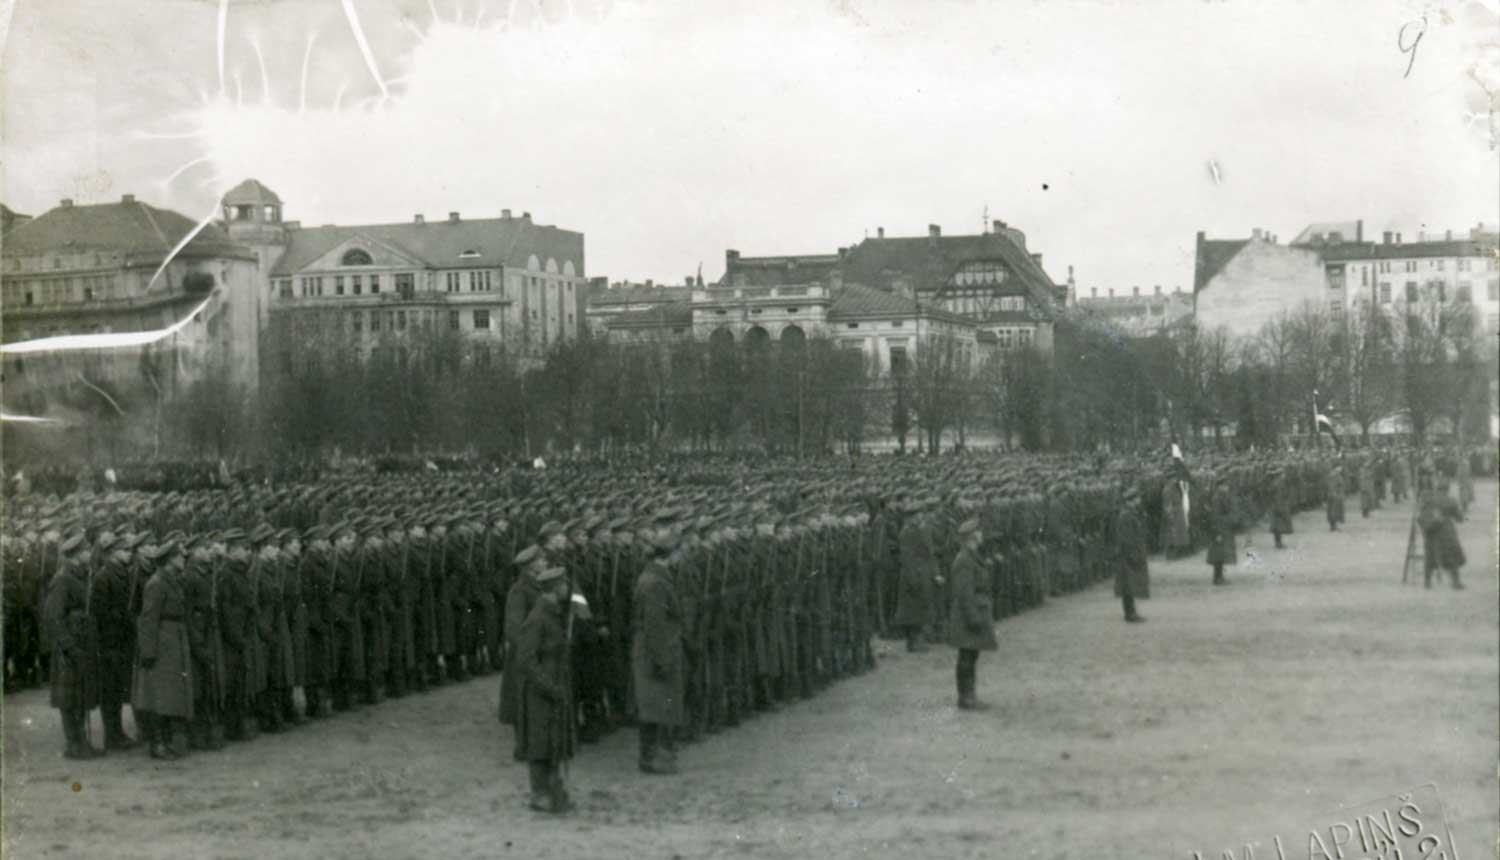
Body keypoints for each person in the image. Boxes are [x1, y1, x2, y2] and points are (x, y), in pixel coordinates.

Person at [513, 566, 575, 814]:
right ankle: (539, 793)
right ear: (553, 589)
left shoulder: (553, 613)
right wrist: (549, 687)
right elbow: (525, 659)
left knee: (553, 739)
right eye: (563, 585)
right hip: (542, 691)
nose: (567, 589)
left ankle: (553, 788)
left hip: (554, 686)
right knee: (540, 742)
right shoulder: (538, 617)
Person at [133, 539, 194, 760]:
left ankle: (167, 741)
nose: (183, 559)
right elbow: (148, 619)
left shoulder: (172, 580)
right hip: (163, 642)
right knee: (158, 694)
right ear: (169, 560)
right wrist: (148, 652)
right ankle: (157, 744)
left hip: (174, 639)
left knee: (170, 693)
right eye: (179, 556)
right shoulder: (156, 583)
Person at [44, 532, 103, 759]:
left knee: (79, 693)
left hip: (82, 642)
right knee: (69, 697)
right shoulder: (63, 579)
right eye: (86, 550)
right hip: (68, 648)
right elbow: (53, 617)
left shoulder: (80, 575)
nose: (90, 553)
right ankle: (74, 744)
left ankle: (81, 741)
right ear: (76, 555)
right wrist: (68, 646)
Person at [632, 529, 686, 774]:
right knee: (654, 704)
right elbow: (655, 624)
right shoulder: (655, 583)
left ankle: (656, 755)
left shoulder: (655, 577)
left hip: (657, 647)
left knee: (659, 702)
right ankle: (650, 758)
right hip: (655, 649)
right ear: (670, 554)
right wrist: (662, 659)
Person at [945, 518, 995, 709]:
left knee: (971, 656)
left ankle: (969, 695)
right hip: (967, 616)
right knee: (967, 657)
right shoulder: (964, 560)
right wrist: (973, 617)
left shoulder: (970, 556)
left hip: (971, 614)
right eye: (979, 533)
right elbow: (964, 593)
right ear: (971, 537)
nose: (982, 535)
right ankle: (966, 698)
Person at [1418, 479, 1466, 590]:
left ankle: (1427, 582)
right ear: (1448, 489)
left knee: (1430, 556)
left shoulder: (1429, 498)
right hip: (1447, 532)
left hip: (1431, 532)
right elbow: (1460, 518)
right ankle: (1456, 582)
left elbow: (1422, 512)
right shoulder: (1451, 500)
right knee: (1453, 555)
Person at [1113, 489, 1150, 623]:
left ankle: (1131, 611)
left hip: (1130, 553)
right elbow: (1126, 538)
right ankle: (1130, 613)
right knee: (1128, 585)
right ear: (1131, 500)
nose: (1139, 501)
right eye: (1137, 499)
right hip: (1128, 555)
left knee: (1130, 584)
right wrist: (1132, 554)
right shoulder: (1126, 515)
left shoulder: (1130, 514)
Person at [1205, 477, 1237, 586]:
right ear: (1220, 486)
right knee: (1218, 555)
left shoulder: (1221, 497)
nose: (1227, 487)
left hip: (1223, 528)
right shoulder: (1217, 498)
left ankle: (1220, 577)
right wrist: (1217, 533)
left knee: (1221, 554)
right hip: (1219, 529)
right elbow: (1215, 516)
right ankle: (1217, 578)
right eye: (1225, 485)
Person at [1268, 469, 1293, 550]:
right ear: (1281, 474)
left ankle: (1278, 543)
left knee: (1277, 526)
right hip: (1278, 506)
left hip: (1274, 506)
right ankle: (1279, 543)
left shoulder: (1275, 483)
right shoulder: (1279, 484)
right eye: (1283, 473)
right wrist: (1281, 508)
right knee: (1278, 526)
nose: (1284, 475)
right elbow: (1279, 496)